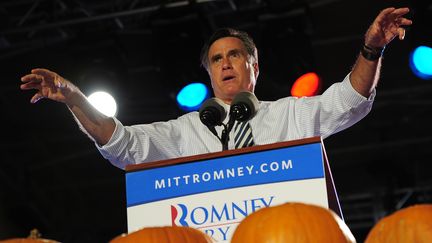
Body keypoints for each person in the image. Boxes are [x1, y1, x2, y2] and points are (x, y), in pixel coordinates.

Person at [20, 7, 412, 169]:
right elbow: (121, 145)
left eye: (235, 55)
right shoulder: (183, 132)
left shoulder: (291, 114)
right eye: (216, 59)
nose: (225, 63)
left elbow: (350, 101)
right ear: (209, 72)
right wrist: (74, 97)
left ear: (253, 67)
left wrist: (371, 47)